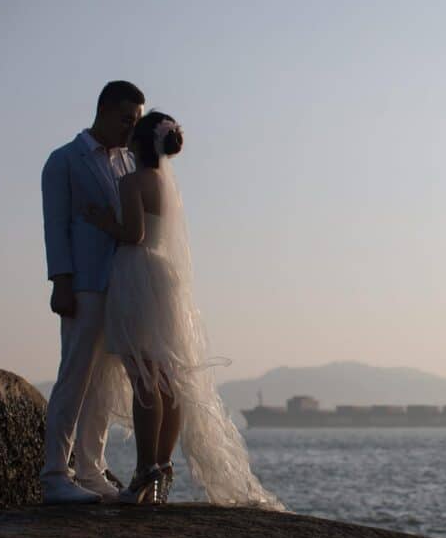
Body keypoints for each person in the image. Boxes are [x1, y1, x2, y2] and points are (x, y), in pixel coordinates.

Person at [82, 111, 282, 509]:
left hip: (136, 274)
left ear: (138, 144)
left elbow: (134, 234)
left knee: (143, 376)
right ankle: (161, 465)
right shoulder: (165, 185)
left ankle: (143, 472)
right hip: (165, 278)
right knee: (168, 379)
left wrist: (103, 220)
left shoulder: (130, 181)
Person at [41, 81, 144, 504]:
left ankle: (91, 468)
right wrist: (60, 282)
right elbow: (55, 226)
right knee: (75, 376)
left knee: (105, 381)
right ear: (103, 110)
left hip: (119, 285)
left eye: (136, 121)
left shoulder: (128, 163)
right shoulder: (64, 160)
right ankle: (54, 473)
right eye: (125, 119)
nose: (130, 128)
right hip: (82, 284)